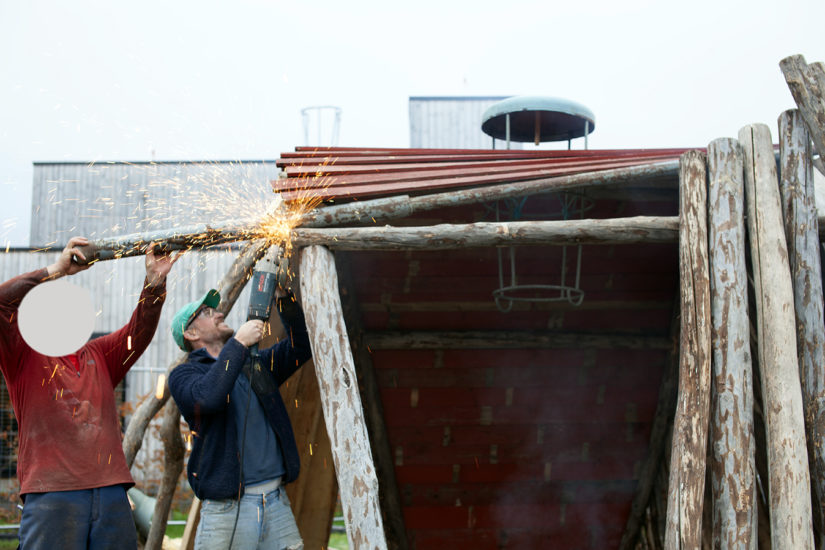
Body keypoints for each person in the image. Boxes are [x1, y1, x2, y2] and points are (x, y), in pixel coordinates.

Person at [0, 236, 179, 549]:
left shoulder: (99, 354)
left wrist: (154, 283)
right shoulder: (22, 354)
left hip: (110, 491)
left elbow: (138, 334)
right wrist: (55, 271)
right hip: (52, 493)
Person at [168, 284, 312, 550]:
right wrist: (238, 343)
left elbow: (301, 345)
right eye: (207, 313)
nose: (219, 314)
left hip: (276, 501)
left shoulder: (253, 365)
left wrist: (283, 299)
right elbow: (208, 397)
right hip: (228, 509)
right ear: (191, 333)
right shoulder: (184, 375)